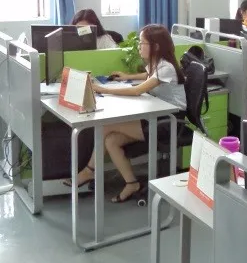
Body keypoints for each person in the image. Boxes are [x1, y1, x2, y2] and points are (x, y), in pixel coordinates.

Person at [64, 25, 186, 203]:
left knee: (105, 126)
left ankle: (89, 171)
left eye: (142, 43)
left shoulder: (166, 67)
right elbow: (147, 76)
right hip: (156, 115)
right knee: (111, 140)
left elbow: (138, 91)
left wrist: (103, 89)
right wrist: (126, 76)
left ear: (156, 46)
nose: (139, 46)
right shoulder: (156, 63)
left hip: (169, 122)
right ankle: (132, 183)